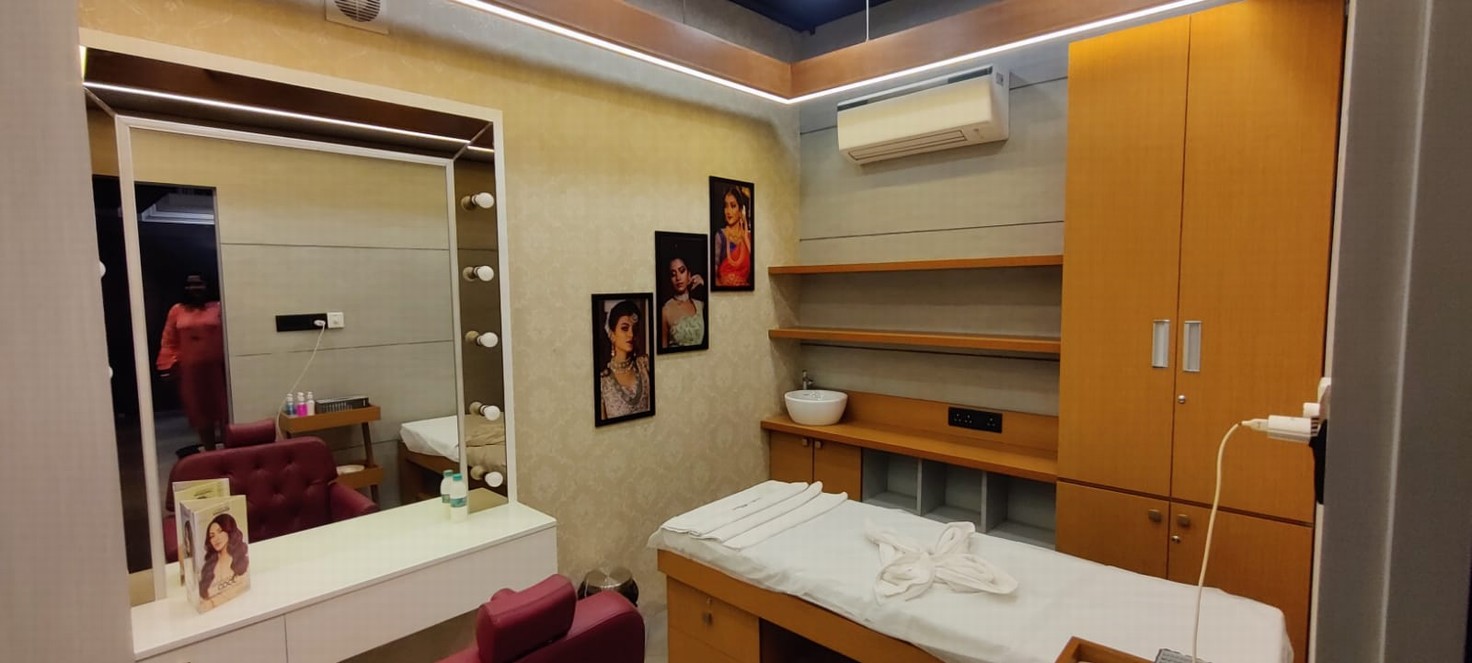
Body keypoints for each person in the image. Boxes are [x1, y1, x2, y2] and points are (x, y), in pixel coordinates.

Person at [156, 274, 228, 449]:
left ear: (206, 285)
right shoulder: (177, 310)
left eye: (198, 284)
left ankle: (228, 451)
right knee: (200, 412)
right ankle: (210, 452)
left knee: (224, 411)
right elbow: (169, 340)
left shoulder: (218, 307)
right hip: (190, 372)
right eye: (190, 284)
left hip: (218, 370)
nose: (194, 288)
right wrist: (167, 366)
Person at [599, 300, 651, 420]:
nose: (631, 334)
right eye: (624, 328)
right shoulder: (603, 381)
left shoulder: (645, 365)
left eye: (635, 329)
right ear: (612, 334)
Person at [197, 513, 249, 610]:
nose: (216, 539)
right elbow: (201, 596)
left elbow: (242, 587)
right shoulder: (208, 567)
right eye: (212, 536)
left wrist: (212, 602)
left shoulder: (241, 560)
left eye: (220, 531)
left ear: (229, 531)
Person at [660, 256, 705, 349]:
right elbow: (662, 351)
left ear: (689, 275)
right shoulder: (665, 311)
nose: (678, 277)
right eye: (673, 274)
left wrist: (704, 284)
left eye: (682, 271)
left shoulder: (700, 305)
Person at [713, 185, 753, 287]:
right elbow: (713, 275)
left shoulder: (748, 237)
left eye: (733, 206)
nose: (728, 211)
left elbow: (758, 269)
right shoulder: (720, 236)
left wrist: (745, 237)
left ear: (741, 210)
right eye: (726, 206)